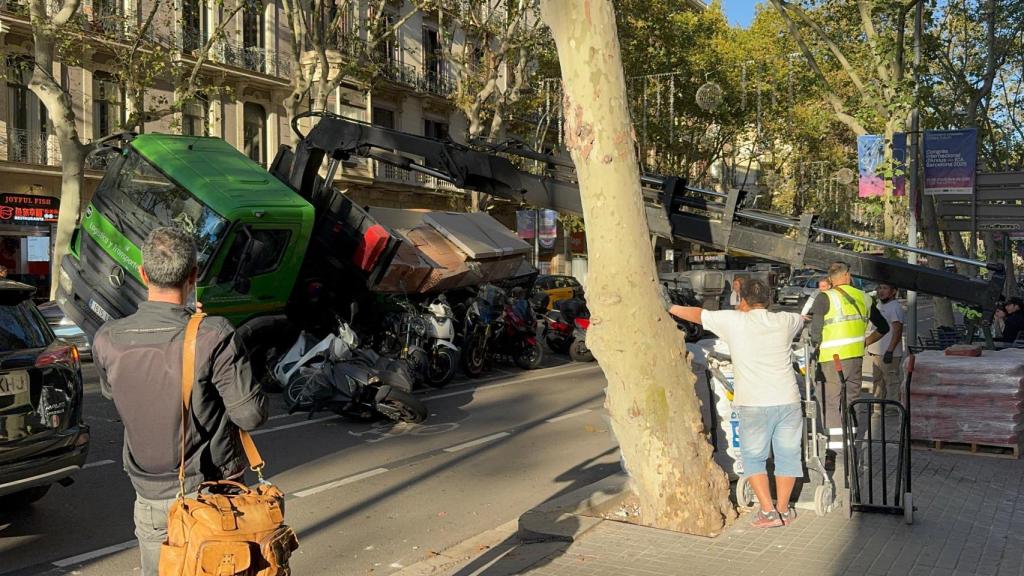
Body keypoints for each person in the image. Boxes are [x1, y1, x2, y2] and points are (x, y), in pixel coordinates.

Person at [93, 227, 268, 576]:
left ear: (143, 274)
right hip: (213, 497)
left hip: (151, 499)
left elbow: (114, 392)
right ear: (193, 275)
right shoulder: (213, 334)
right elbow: (251, 415)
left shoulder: (107, 338)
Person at [670, 279, 804, 528]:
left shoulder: (733, 321)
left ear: (742, 301)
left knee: (754, 458)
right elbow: (801, 319)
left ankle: (768, 512)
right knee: (788, 456)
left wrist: (671, 308)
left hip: (753, 403)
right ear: (769, 300)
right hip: (788, 401)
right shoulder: (786, 321)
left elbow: (699, 315)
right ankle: (784, 510)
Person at [808, 262, 889, 458]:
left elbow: (815, 334)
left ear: (831, 279)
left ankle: (834, 451)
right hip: (855, 359)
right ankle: (851, 445)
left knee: (831, 402)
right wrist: (864, 342)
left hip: (831, 360)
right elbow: (883, 327)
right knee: (851, 402)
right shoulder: (864, 297)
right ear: (847, 276)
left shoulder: (825, 298)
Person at [866, 283, 905, 409]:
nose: (881, 291)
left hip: (889, 354)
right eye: (880, 288)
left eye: (885, 288)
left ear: (893, 292)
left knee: (891, 382)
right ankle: (878, 407)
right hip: (877, 352)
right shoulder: (879, 305)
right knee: (878, 381)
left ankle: (893, 408)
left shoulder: (895, 307)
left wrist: (890, 350)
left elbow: (897, 330)